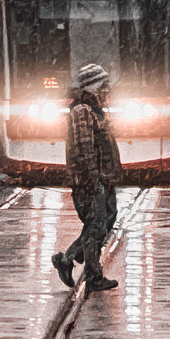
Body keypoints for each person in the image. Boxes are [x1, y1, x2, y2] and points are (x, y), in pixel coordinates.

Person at [54, 60, 121, 293]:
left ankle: (68, 259)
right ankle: (93, 275)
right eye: (104, 86)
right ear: (92, 87)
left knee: (103, 222)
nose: (108, 91)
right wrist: (92, 180)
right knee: (96, 226)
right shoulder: (82, 111)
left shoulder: (94, 109)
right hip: (92, 180)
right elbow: (85, 149)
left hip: (104, 178)